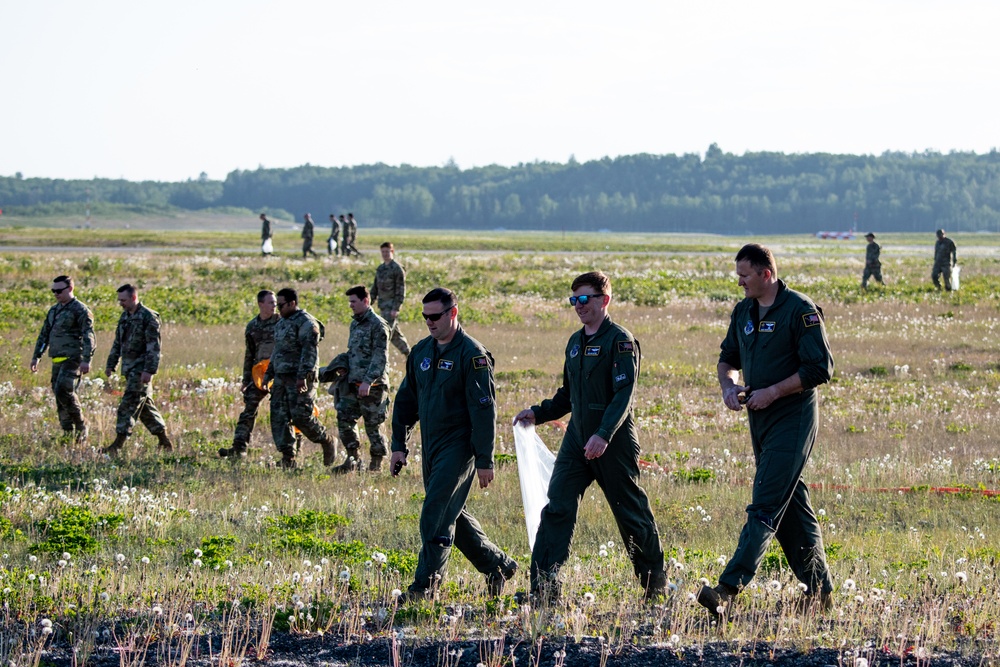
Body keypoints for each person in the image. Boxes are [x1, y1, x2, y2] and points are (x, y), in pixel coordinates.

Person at [698, 243, 834, 619]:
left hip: (792, 419)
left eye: (745, 275)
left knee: (764, 505)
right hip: (758, 419)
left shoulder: (800, 311)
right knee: (790, 505)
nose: (739, 282)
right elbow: (728, 358)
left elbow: (820, 368)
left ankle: (727, 589)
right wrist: (729, 386)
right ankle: (820, 591)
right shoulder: (743, 311)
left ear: (766, 275)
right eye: (737, 275)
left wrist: (774, 391)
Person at [513, 271, 668, 602]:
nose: (579, 306)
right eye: (574, 300)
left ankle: (655, 586)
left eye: (585, 299)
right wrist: (538, 413)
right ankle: (543, 588)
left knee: (630, 513)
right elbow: (567, 396)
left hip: (613, 441)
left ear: (604, 300)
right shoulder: (574, 343)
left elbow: (623, 395)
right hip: (577, 440)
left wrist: (603, 435)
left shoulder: (621, 341)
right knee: (557, 508)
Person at [391, 288, 517, 600]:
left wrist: (485, 459)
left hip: (459, 447)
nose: (429, 322)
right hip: (431, 446)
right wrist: (398, 445)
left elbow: (484, 409)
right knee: (450, 513)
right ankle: (497, 565)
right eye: (425, 317)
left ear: (453, 313)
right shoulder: (420, 352)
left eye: (435, 316)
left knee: (435, 512)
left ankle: (425, 587)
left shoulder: (472, 355)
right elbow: (406, 401)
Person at [263, 288, 337, 468]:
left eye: (280, 305)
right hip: (281, 378)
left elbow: (309, 352)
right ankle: (288, 458)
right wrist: (268, 374)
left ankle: (326, 440)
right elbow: (277, 351)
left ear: (292, 303)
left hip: (300, 379)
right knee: (279, 417)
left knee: (301, 417)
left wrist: (302, 376)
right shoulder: (281, 323)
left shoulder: (306, 323)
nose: (277, 309)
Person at [325, 285, 391, 473]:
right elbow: (354, 353)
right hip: (352, 384)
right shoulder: (355, 324)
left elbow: (380, 358)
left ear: (366, 301)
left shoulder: (378, 326)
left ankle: (376, 465)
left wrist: (368, 381)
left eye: (353, 301)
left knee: (373, 426)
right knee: (344, 418)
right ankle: (353, 460)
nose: (350, 305)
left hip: (373, 386)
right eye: (349, 302)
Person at [219, 290, 291, 458]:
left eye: (275, 303)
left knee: (284, 411)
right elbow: (249, 354)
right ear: (261, 304)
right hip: (258, 375)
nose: (275, 306)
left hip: (279, 374)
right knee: (248, 410)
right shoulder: (253, 326)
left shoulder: (283, 323)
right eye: (271, 303)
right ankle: (239, 448)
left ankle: (290, 453)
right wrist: (246, 379)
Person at [103, 284, 173, 456]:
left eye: (124, 300)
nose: (121, 303)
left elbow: (154, 347)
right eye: (119, 300)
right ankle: (164, 441)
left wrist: (149, 370)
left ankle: (117, 445)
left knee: (127, 406)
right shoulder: (125, 317)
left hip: (141, 370)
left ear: (134, 298)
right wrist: (111, 363)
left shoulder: (149, 317)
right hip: (129, 369)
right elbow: (118, 342)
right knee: (144, 408)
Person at [31, 275, 96, 442]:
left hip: (73, 358)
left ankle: (81, 425)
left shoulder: (80, 310)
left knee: (63, 389)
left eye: (59, 291)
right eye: (53, 291)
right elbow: (44, 334)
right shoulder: (54, 310)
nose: (56, 294)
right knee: (59, 395)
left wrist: (86, 359)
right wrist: (36, 356)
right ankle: (67, 432)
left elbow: (89, 335)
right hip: (57, 359)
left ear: (70, 289)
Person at [371, 241, 411, 357]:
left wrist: (396, 308)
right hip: (383, 306)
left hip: (391, 307)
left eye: (387, 251)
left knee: (384, 334)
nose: (385, 254)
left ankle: (380, 358)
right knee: (395, 336)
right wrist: (369, 302)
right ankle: (409, 354)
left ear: (392, 252)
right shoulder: (381, 269)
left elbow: (401, 290)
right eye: (383, 252)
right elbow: (375, 288)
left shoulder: (397, 269)